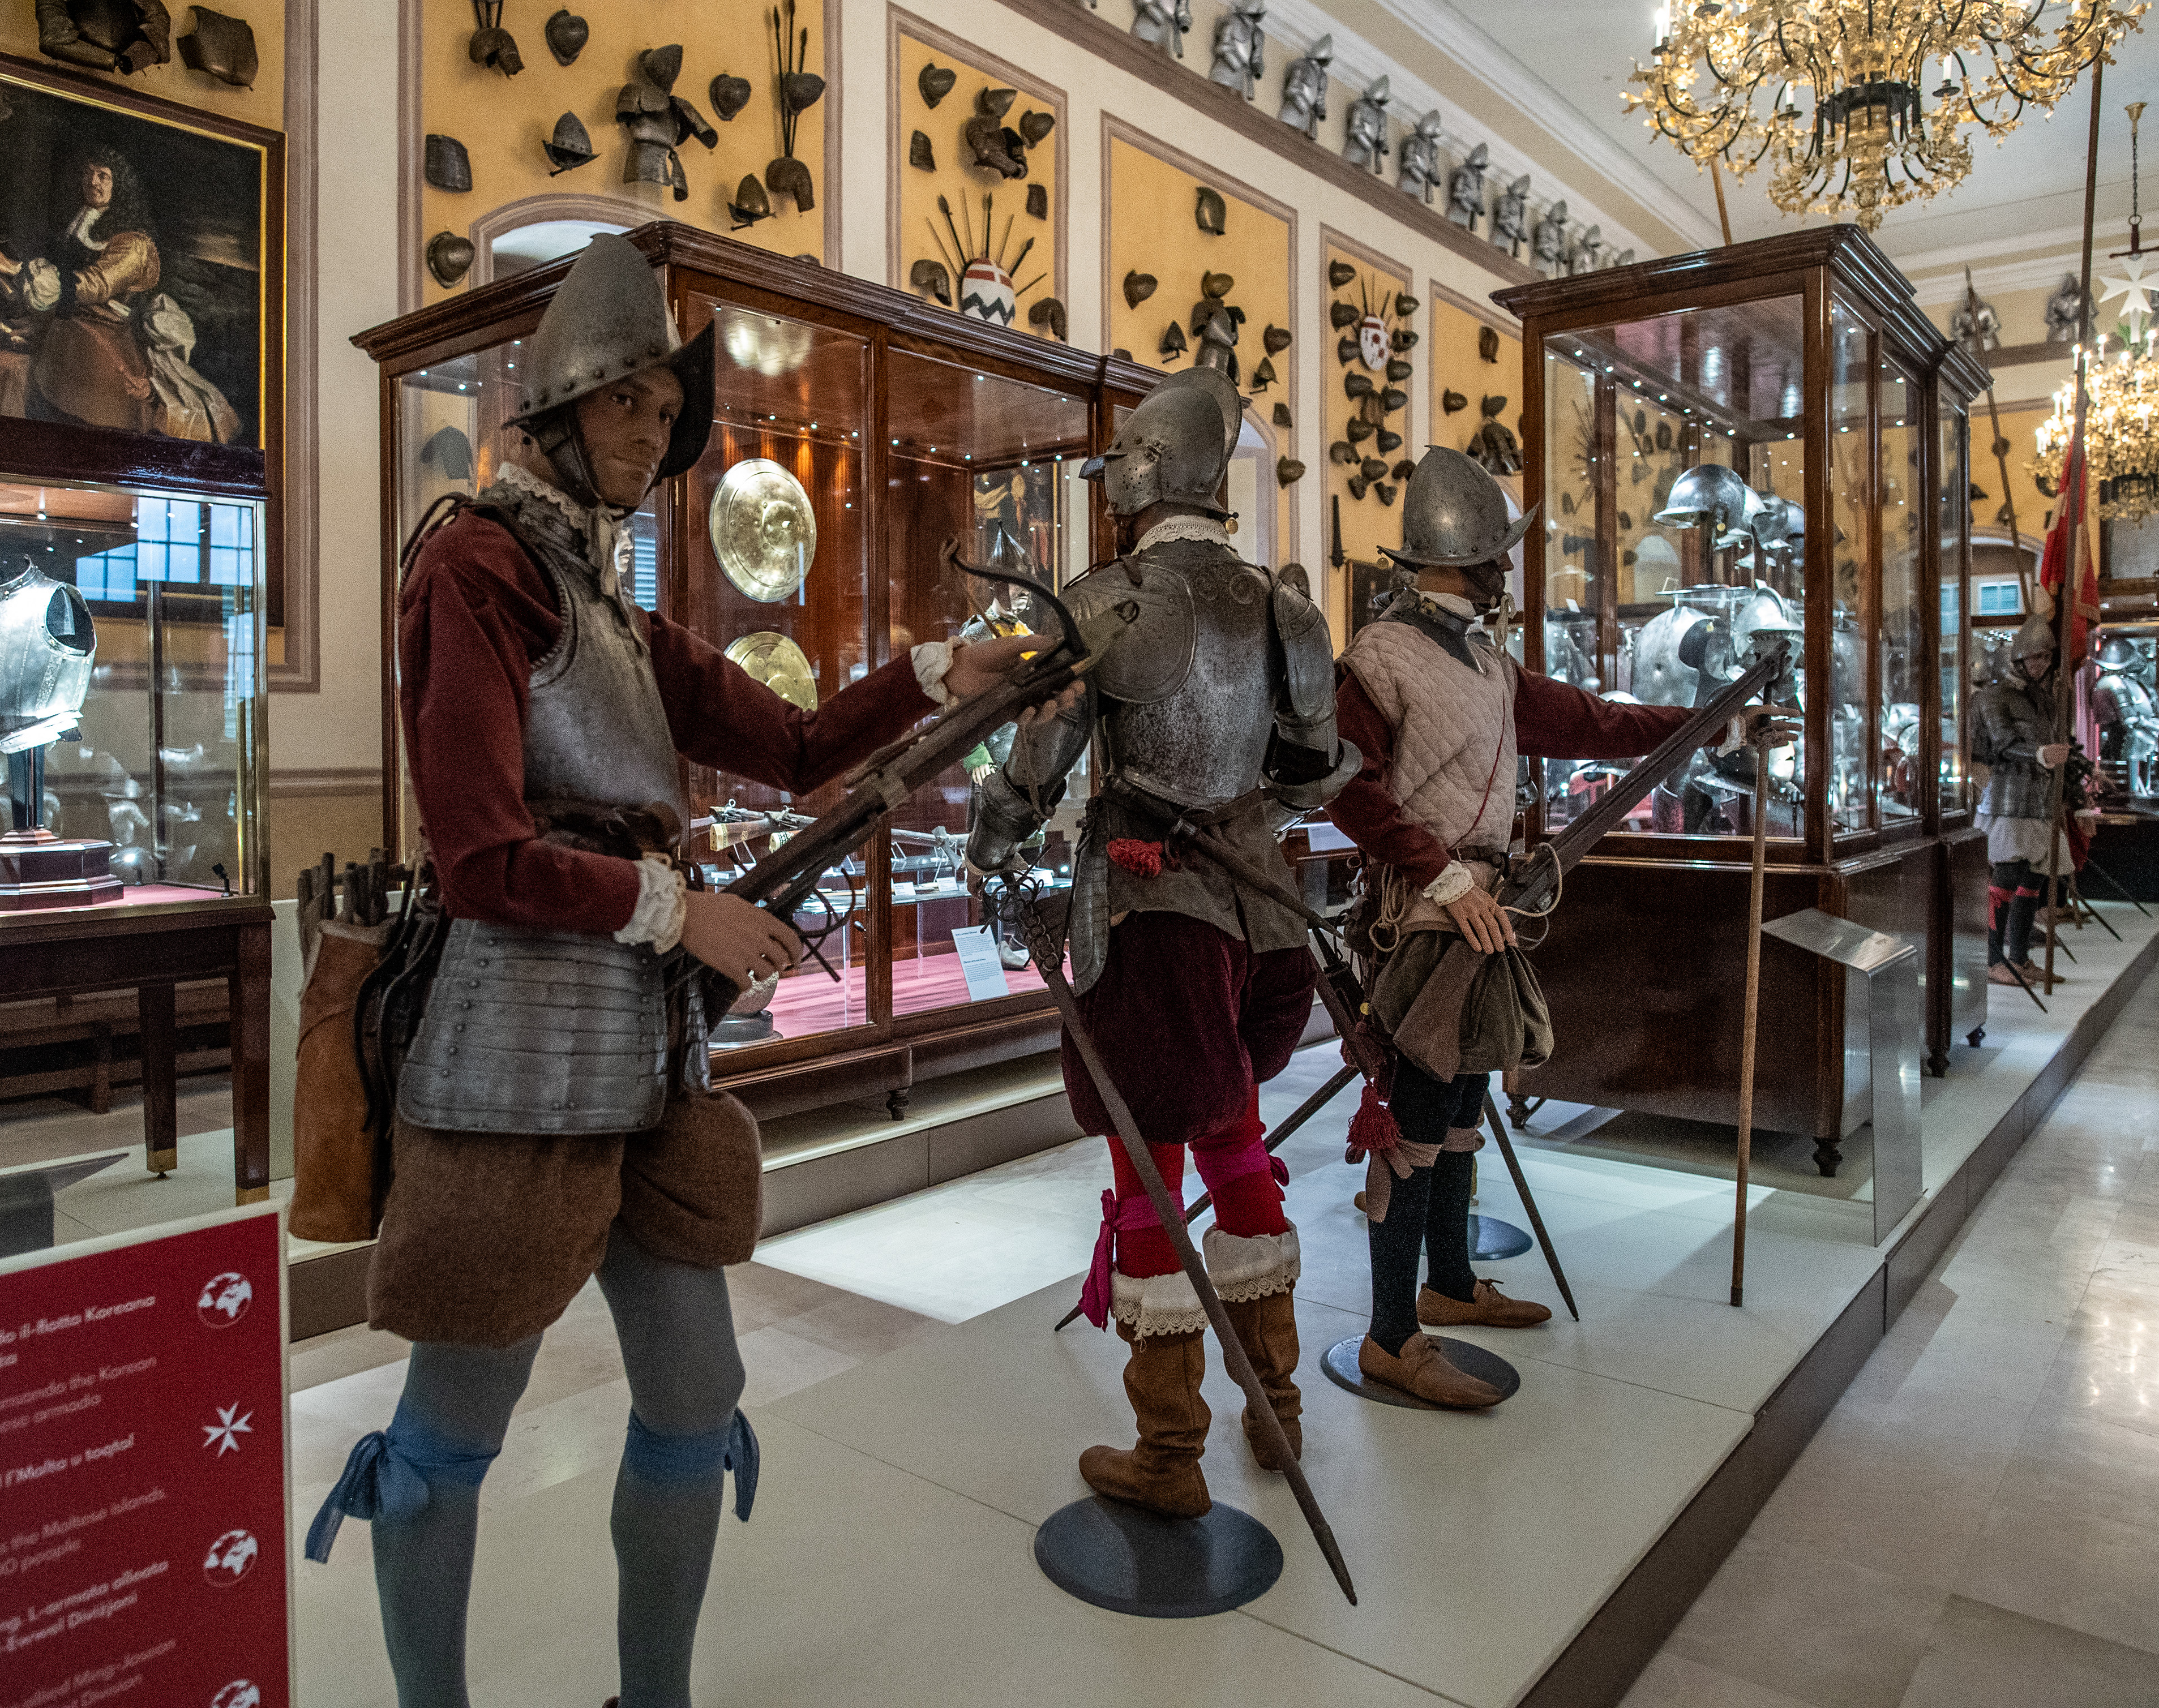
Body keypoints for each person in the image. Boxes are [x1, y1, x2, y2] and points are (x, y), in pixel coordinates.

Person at [302, 235, 1053, 1708]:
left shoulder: (610, 610)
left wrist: (940, 667)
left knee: (698, 1398)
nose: (660, 437)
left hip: (643, 1050)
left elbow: (789, 746)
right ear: (562, 407)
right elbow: (480, 858)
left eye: (667, 412)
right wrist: (682, 910)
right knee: (457, 1424)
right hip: (509, 1046)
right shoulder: (473, 567)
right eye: (636, 407)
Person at [967, 366, 1357, 1518]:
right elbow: (1314, 766)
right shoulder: (1278, 603)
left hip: (1149, 913)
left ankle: (1170, 1452)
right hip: (1265, 915)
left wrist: (990, 846)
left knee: (1149, 1164)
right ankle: (1276, 1406)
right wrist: (1237, 820)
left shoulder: (1108, 602)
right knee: (1234, 1131)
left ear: (1136, 480)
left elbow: (1037, 765)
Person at [1326, 447, 1780, 1409]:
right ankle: (1387, 1333)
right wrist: (1442, 875)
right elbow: (1347, 787)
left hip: (1488, 913)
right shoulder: (1375, 660)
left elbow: (1592, 722)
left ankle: (1447, 1283)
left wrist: (1722, 725)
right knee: (1409, 1123)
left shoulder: (1485, 662)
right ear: (1461, 558)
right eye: (1495, 556)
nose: (1505, 572)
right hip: (1425, 914)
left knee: (1459, 1109)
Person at [1973, 613, 2087, 986]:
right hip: (2009, 801)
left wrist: (2080, 802)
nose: (2040, 665)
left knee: (2034, 882)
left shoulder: (2048, 702)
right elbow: (2002, 745)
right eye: (2033, 658)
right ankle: (1993, 961)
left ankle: (2019, 958)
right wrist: (2039, 755)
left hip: (2042, 804)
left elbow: (2061, 756)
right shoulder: (1993, 698)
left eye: (2045, 658)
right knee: (2005, 878)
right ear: (2017, 658)